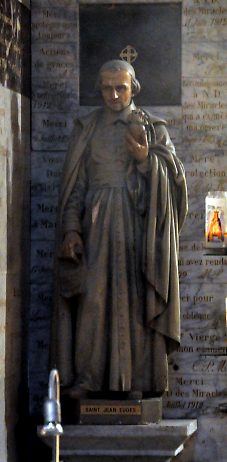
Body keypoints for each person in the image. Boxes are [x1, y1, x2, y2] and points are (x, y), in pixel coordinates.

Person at [52, 60, 187, 399]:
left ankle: (136, 381)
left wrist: (144, 161)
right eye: (106, 88)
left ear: (133, 88)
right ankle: (88, 378)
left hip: (138, 228)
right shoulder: (88, 129)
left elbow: (172, 185)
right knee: (92, 301)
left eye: (120, 87)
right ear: (99, 89)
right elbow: (75, 187)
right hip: (95, 225)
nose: (113, 94)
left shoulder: (152, 128)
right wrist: (71, 230)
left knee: (136, 300)